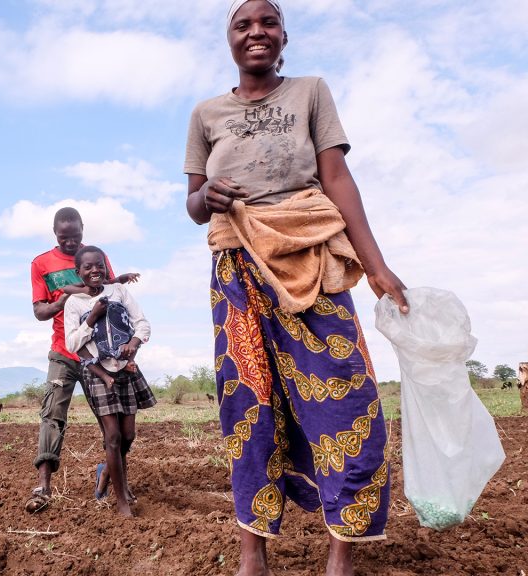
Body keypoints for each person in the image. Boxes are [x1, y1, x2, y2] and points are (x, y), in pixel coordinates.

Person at [184, 2, 410, 575]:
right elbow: (191, 204)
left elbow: (336, 178)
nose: (256, 32)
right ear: (229, 39)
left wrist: (375, 265)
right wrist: (205, 194)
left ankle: (341, 553)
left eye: (267, 23)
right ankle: (252, 552)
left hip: (311, 259)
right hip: (238, 268)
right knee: (249, 405)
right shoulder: (206, 113)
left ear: (284, 35)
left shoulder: (310, 92)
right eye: (243, 25)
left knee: (345, 397)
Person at [26, 207, 139, 514]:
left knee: (115, 428)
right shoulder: (41, 264)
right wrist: (63, 301)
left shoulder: (95, 256)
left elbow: (108, 289)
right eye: (64, 238)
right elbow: (39, 311)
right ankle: (43, 486)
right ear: (55, 234)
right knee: (52, 414)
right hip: (64, 352)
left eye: (75, 236)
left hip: (99, 355)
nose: (71, 242)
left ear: (83, 230)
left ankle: (114, 477)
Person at [64, 246, 155, 517]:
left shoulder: (119, 292)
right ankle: (121, 501)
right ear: (78, 272)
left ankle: (107, 474)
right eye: (88, 267)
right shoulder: (75, 303)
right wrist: (91, 318)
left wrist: (134, 342)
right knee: (112, 436)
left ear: (106, 267)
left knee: (128, 435)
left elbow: (142, 323)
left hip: (125, 369)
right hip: (98, 373)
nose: (95, 271)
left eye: (99, 265)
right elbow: (72, 343)